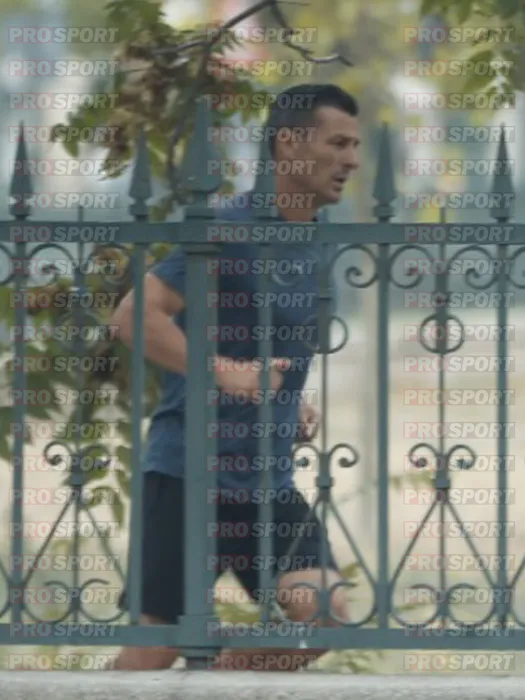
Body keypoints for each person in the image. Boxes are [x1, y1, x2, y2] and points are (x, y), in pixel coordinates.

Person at [110, 83, 361, 671]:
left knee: (325, 619)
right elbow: (133, 316)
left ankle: (211, 684)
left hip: (267, 481)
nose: (351, 160)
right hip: (188, 472)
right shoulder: (229, 228)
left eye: (355, 146)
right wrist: (223, 372)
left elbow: (266, 346)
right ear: (288, 144)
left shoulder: (315, 244)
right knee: (154, 649)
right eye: (338, 143)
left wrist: (291, 402)